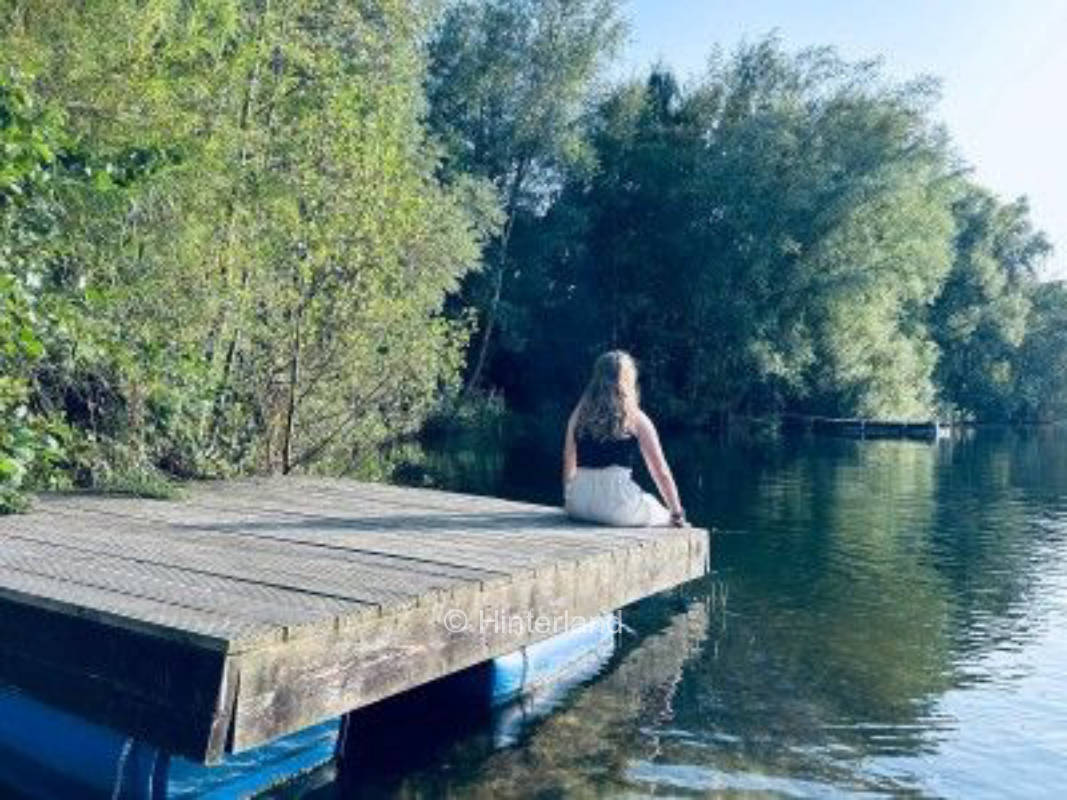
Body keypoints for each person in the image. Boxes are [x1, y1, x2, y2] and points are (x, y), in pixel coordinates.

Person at [562, 350, 687, 527]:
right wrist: (676, 512)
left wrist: (569, 496)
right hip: (617, 507)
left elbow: (568, 458)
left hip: (579, 504)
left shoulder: (579, 414)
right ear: (627, 380)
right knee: (658, 510)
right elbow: (660, 471)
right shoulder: (635, 418)